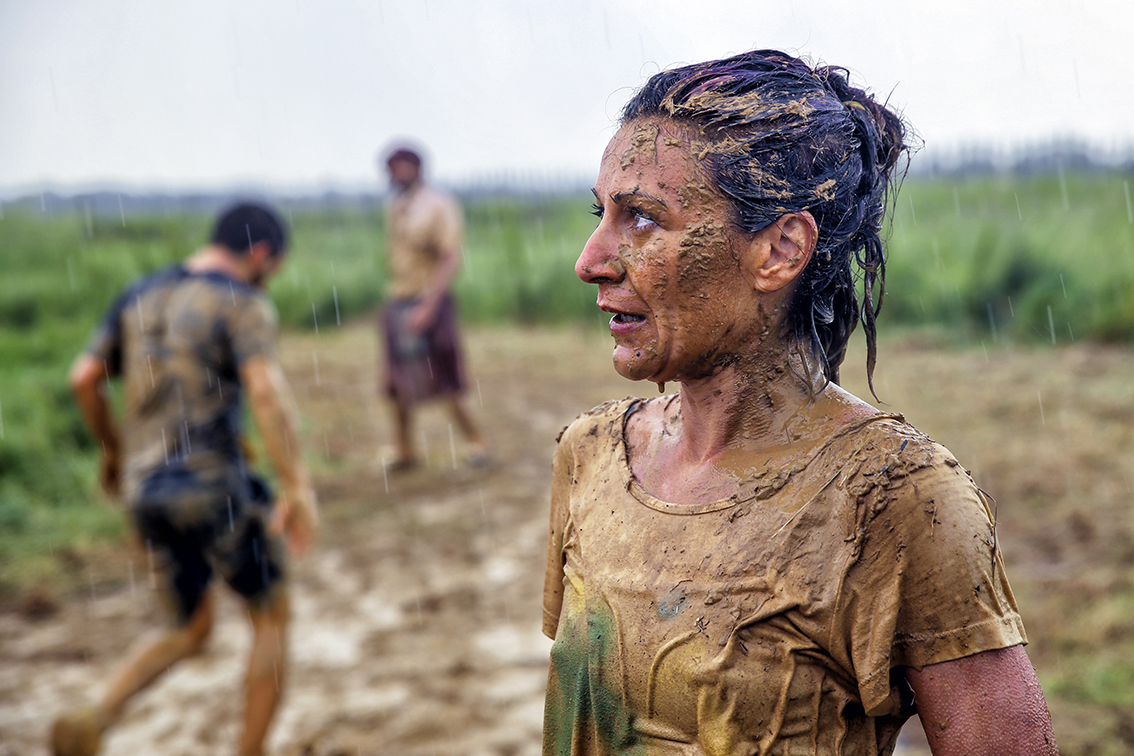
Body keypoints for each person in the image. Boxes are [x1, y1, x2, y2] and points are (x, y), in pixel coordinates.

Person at [542, 50, 1058, 755]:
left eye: (642, 220)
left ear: (781, 249)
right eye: (601, 213)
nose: (590, 259)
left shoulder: (894, 499)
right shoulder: (591, 457)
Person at [54, 202, 318, 756]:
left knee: (189, 628)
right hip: (214, 486)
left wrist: (113, 451)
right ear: (262, 254)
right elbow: (265, 393)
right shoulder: (243, 303)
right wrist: (297, 486)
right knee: (271, 615)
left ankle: (95, 715)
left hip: (145, 489)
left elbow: (84, 378)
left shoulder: (141, 293)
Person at [378, 146, 487, 470]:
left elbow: (449, 258)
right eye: (389, 169)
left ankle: (475, 442)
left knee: (443, 376)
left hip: (430, 301)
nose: (392, 175)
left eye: (397, 168)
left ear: (415, 167)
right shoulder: (397, 206)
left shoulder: (438, 205)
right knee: (396, 380)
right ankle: (404, 449)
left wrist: (428, 306)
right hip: (399, 299)